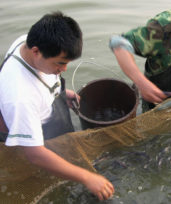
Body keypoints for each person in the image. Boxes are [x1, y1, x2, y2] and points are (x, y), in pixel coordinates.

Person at [0, 12, 114, 200]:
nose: (64, 69)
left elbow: (46, 76)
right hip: (34, 130)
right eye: (60, 63)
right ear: (36, 51)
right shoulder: (20, 96)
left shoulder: (26, 43)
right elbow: (35, 154)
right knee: (44, 175)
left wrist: (61, 92)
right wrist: (87, 177)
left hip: (48, 110)